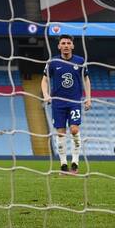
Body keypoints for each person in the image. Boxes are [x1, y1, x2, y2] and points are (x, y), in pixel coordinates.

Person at [41, 35, 91, 174]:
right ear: (59, 46)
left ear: (72, 46)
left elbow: (86, 80)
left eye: (69, 43)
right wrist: (46, 94)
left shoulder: (80, 61)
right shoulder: (52, 62)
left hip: (74, 101)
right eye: (63, 43)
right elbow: (44, 80)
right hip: (58, 103)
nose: (66, 45)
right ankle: (63, 164)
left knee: (74, 130)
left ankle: (75, 162)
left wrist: (88, 98)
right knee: (61, 134)